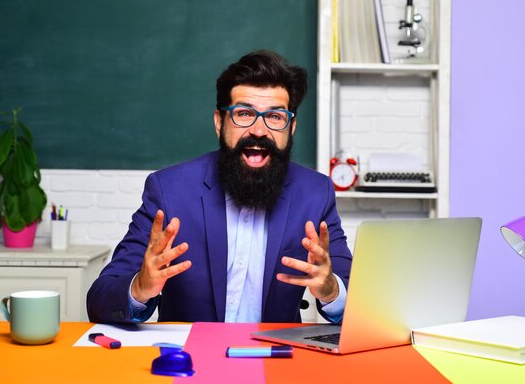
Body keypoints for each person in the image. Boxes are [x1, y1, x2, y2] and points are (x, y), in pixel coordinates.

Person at [86, 50, 352, 324]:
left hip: (277, 358)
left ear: (291, 127)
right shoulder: (169, 190)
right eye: (244, 113)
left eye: (274, 117)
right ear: (219, 123)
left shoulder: (315, 193)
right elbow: (99, 300)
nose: (259, 131)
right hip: (190, 361)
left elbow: (359, 303)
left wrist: (331, 289)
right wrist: (140, 288)